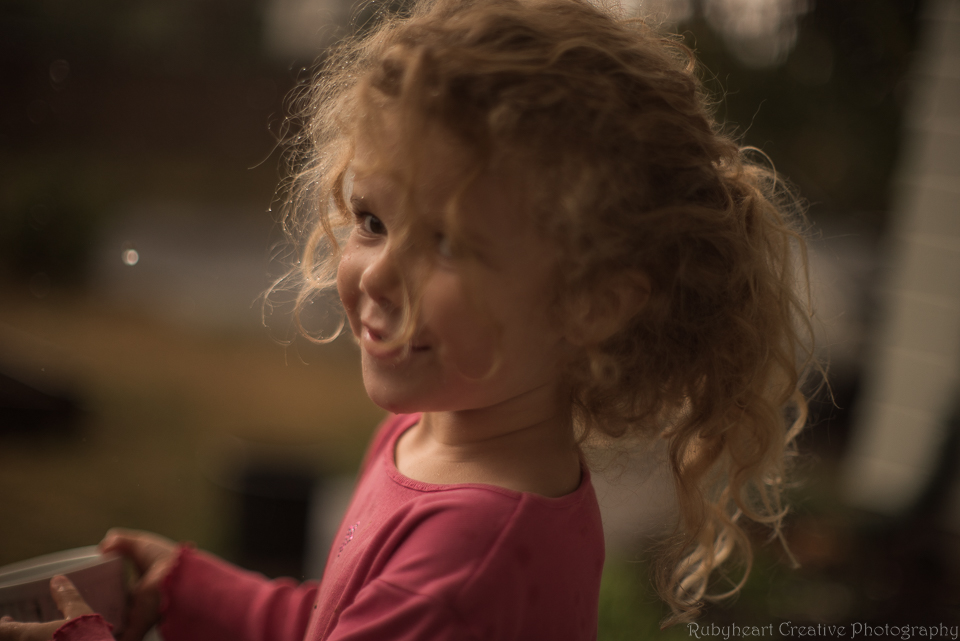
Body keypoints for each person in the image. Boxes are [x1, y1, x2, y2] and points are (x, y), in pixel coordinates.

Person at [0, 0, 814, 639]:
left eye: (448, 243)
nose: (378, 273)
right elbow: (341, 619)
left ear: (592, 301)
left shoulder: (469, 556)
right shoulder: (435, 432)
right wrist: (192, 590)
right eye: (372, 221)